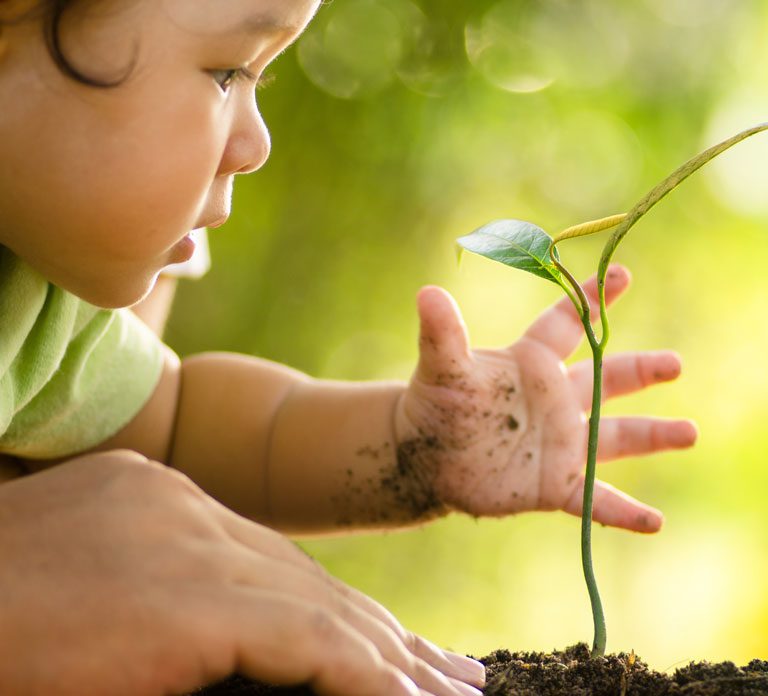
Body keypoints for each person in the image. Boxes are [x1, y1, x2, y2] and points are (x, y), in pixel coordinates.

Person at [0, 1, 698, 694]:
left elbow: (175, 430)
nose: (257, 145)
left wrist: (412, 446)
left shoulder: (36, 305)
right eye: (225, 72)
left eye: (258, 80)